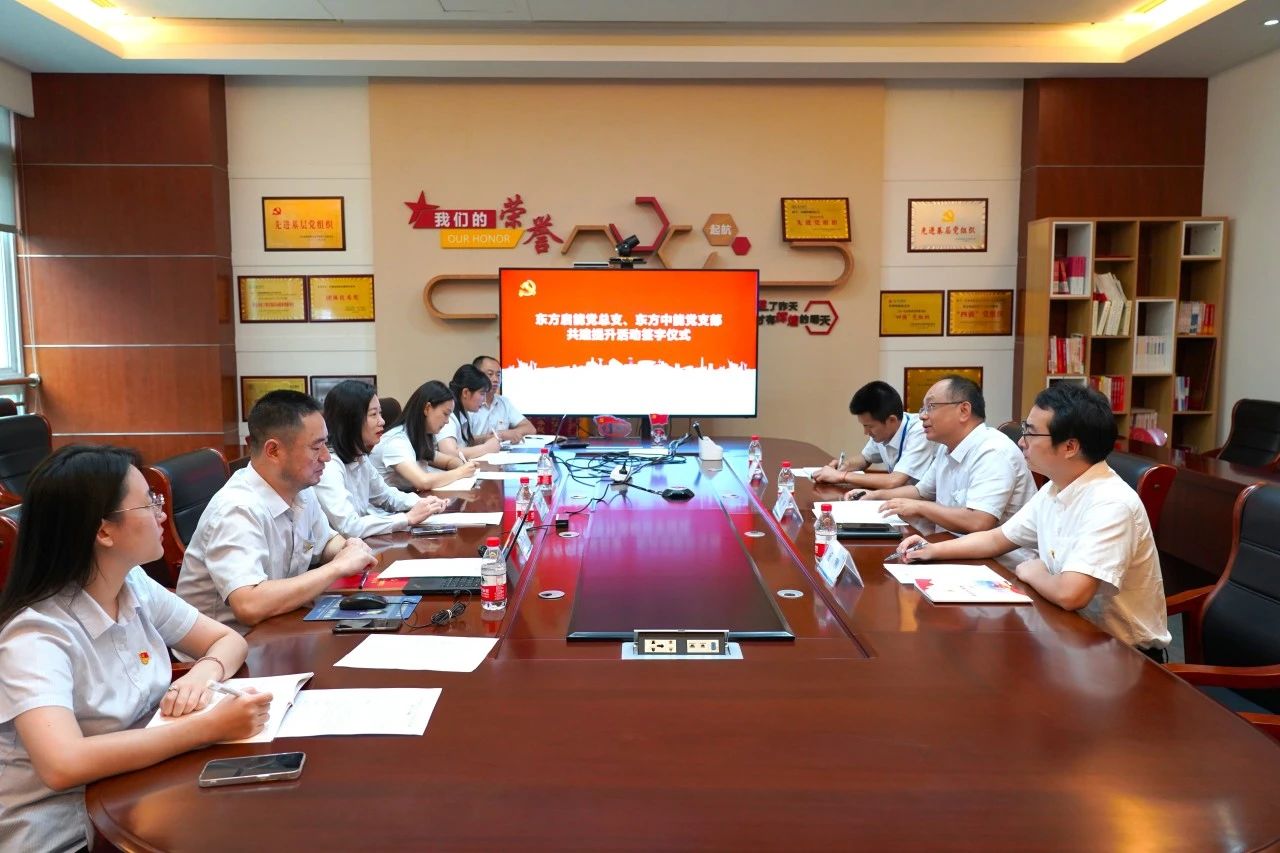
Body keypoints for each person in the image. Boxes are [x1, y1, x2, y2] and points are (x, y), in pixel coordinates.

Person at [0, 445, 273, 852]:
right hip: (65, 832)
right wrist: (208, 727)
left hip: (140, 792)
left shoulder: (133, 585)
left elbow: (227, 639)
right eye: (149, 502)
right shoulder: (36, 636)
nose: (163, 513)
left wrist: (202, 674)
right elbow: (62, 764)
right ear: (104, 531)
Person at [893, 383, 1171, 656]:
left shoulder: (1110, 503)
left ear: (1070, 446)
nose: (1021, 441)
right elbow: (997, 538)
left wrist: (1031, 571)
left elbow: (1071, 594)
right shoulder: (1056, 487)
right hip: (1066, 633)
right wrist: (931, 550)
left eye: (1031, 432)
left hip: (1121, 654)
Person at [176, 390, 377, 633]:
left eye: (326, 443)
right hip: (228, 645)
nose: (326, 457)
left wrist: (348, 547)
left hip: (279, 627)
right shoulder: (237, 509)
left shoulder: (301, 489)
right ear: (273, 451)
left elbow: (324, 541)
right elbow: (249, 605)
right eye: (316, 447)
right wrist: (337, 567)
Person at [851, 375, 1036, 542]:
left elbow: (978, 522)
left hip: (999, 563)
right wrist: (874, 496)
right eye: (923, 408)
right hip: (952, 546)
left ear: (964, 410)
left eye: (931, 407)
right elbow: (920, 492)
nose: (922, 416)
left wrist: (920, 507)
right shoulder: (945, 447)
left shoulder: (993, 451)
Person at [314, 380, 448, 538]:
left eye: (380, 413)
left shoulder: (360, 457)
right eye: (373, 414)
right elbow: (349, 527)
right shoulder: (329, 466)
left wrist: (422, 503)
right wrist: (406, 518)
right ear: (351, 420)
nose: (382, 421)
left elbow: (386, 496)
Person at [814, 380, 936, 489]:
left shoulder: (920, 431)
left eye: (869, 426)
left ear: (891, 420)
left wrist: (841, 476)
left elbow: (894, 481)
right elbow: (865, 458)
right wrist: (844, 466)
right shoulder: (884, 432)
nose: (866, 432)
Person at [369, 380, 479, 491]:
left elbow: (449, 461)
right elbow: (423, 482)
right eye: (445, 414)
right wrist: (461, 472)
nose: (447, 421)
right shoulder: (396, 441)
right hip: (388, 502)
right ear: (427, 408)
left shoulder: (418, 436)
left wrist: (461, 466)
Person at [437, 364, 502, 462]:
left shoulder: (463, 412)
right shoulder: (449, 416)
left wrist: (485, 439)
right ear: (466, 393)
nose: (484, 400)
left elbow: (463, 443)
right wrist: (487, 448)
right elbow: (449, 453)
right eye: (482, 393)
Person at [471, 355, 536, 442]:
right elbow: (462, 441)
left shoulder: (504, 402)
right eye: (490, 374)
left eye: (498, 375)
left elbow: (530, 429)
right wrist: (498, 436)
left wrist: (508, 433)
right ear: (476, 376)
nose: (496, 379)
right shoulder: (468, 403)